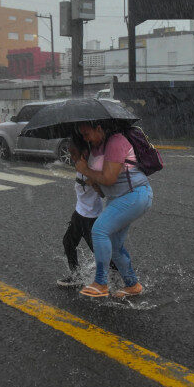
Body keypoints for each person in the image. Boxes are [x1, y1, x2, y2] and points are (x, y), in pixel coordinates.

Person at [74, 121, 153, 299]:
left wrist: (86, 170)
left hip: (135, 194)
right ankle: (132, 284)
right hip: (118, 198)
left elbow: (109, 178)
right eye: (82, 135)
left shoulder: (116, 142)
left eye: (87, 133)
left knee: (99, 230)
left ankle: (101, 283)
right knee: (115, 245)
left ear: (99, 128)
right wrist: (94, 182)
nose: (85, 138)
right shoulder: (96, 147)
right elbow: (104, 187)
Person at [56, 135, 116, 287]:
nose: (71, 157)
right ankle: (75, 276)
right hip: (79, 213)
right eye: (70, 153)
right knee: (68, 242)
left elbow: (105, 192)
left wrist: (93, 182)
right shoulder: (79, 164)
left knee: (99, 251)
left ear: (84, 153)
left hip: (92, 217)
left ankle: (118, 275)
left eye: (73, 153)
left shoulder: (94, 167)